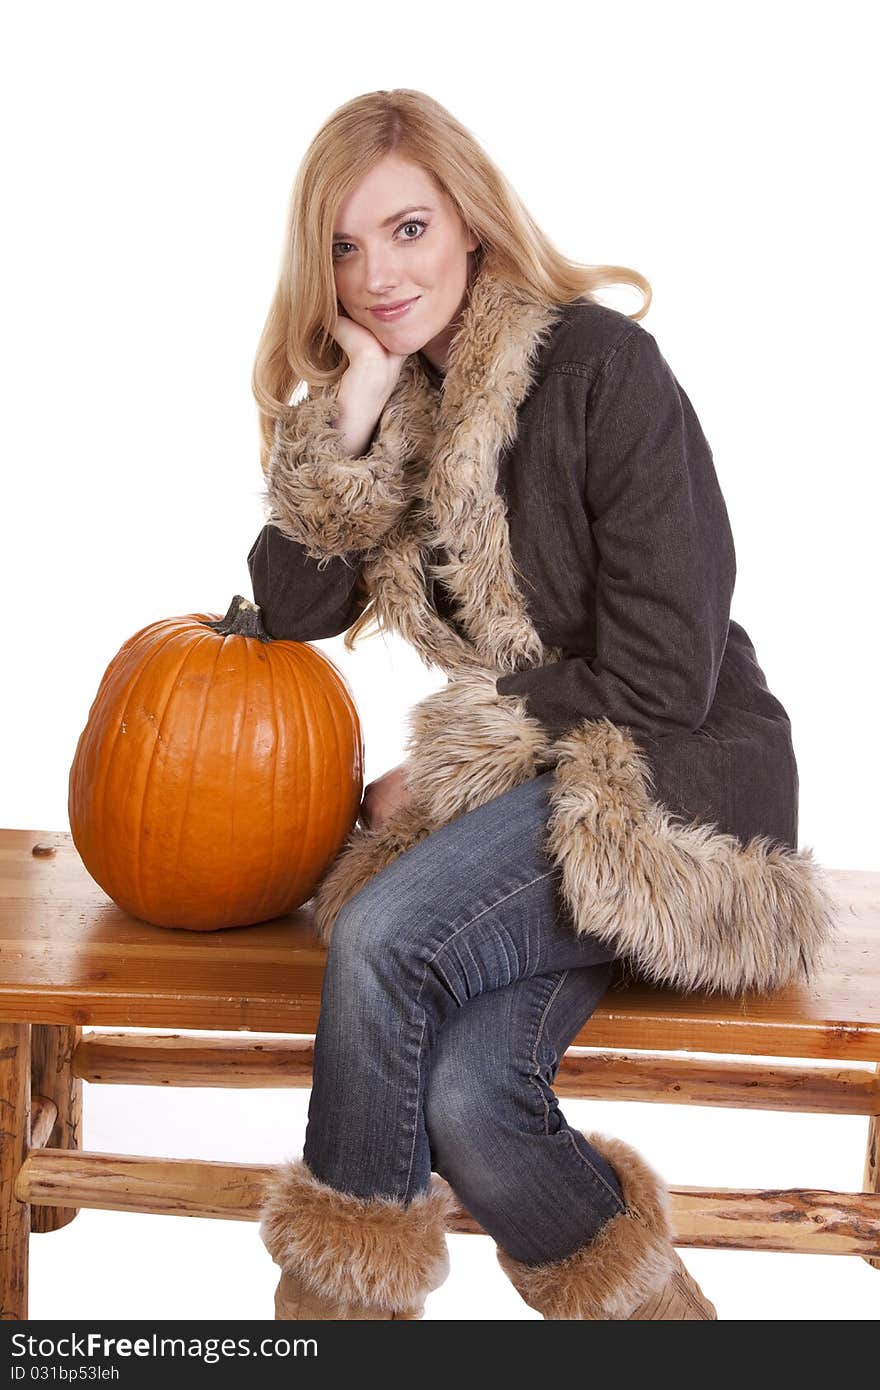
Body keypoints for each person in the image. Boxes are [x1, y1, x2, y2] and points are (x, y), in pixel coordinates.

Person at [247, 89, 837, 1321]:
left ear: (468, 219)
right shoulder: (397, 397)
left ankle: (324, 1329)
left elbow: (668, 672)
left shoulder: (601, 367)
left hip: (666, 786)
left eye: (407, 230)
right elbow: (286, 606)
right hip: (534, 794)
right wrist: (350, 414)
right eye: (344, 249)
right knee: (467, 1093)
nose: (376, 276)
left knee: (383, 935)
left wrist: (460, 765)